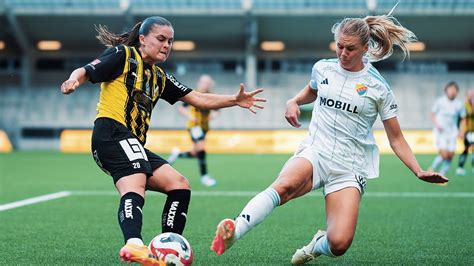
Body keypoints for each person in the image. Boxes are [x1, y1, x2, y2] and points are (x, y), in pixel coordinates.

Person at [210, 11, 449, 265]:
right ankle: (235, 231)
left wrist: (418, 170)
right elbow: (312, 89)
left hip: (350, 166)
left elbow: (397, 139)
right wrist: (294, 100)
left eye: (350, 49)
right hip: (316, 151)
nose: (343, 53)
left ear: (366, 48)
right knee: (283, 186)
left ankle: (317, 244)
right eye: (339, 46)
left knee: (339, 243)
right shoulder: (323, 68)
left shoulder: (379, 88)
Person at [60, 16, 265, 265]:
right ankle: (134, 244)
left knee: (179, 185)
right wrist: (73, 81)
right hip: (110, 134)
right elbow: (86, 71)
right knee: (134, 182)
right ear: (143, 39)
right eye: (161, 39)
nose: (167, 45)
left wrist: (235, 100)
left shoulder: (159, 76)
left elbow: (198, 98)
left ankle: (170, 247)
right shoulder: (122, 55)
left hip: (133, 143)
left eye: (170, 41)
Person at [167, 74, 219, 187]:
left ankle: (177, 154)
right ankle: (204, 176)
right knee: (201, 148)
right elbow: (181, 107)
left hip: (205, 127)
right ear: (200, 83)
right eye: (204, 82)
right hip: (194, 126)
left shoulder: (212, 96)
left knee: (196, 152)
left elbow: (218, 109)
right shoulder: (194, 94)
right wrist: (189, 116)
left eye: (208, 83)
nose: (206, 85)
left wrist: (214, 115)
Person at [430, 81, 465, 176]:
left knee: (450, 155)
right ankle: (432, 168)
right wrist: (437, 124)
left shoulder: (459, 104)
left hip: (453, 132)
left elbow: (463, 118)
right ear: (446, 90)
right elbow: (432, 114)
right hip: (441, 132)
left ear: (457, 91)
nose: (452, 91)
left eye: (454, 89)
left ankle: (442, 174)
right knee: (444, 155)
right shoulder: (440, 101)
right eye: (450, 89)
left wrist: (462, 130)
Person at [456, 89, 474, 176]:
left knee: (470, 149)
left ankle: (463, 168)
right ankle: (460, 168)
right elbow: (460, 119)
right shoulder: (463, 106)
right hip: (467, 131)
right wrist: (460, 131)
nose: (472, 96)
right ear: (466, 95)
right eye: (470, 94)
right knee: (467, 148)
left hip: (472, 131)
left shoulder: (472, 105)